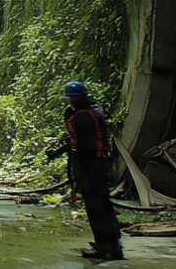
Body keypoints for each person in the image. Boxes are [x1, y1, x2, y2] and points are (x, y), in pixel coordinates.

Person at [63, 80, 122, 261]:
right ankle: (113, 246)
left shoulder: (82, 117)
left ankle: (104, 249)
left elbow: (81, 146)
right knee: (104, 207)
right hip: (100, 165)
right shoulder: (94, 112)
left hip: (90, 167)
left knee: (96, 210)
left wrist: (78, 174)